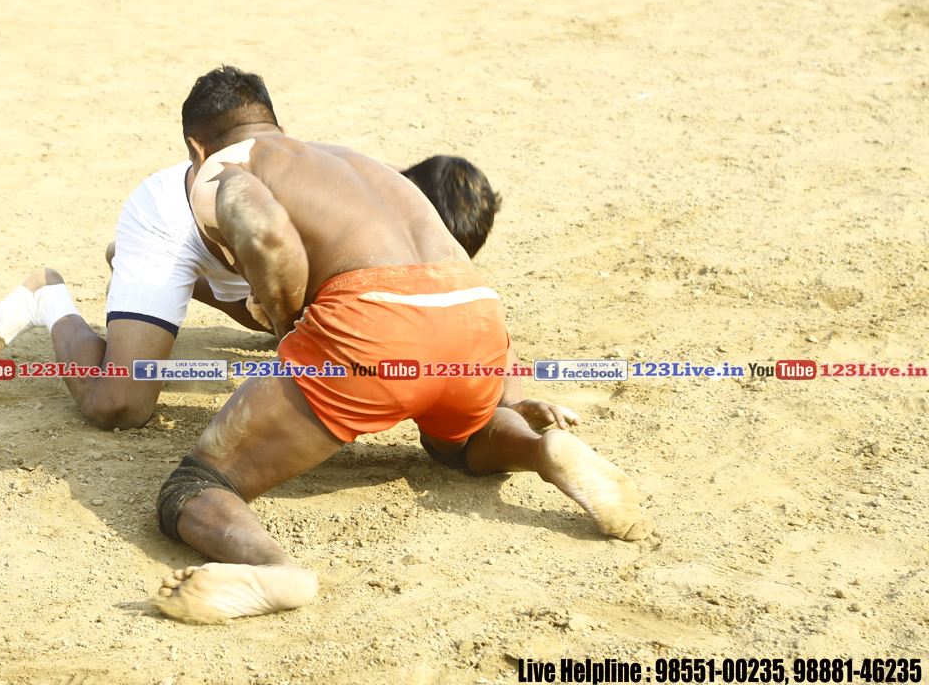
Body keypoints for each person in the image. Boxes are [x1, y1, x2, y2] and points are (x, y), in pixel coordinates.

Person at [149, 71, 654, 624]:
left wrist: (288, 322)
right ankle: (540, 450)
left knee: (197, 483)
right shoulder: (357, 163)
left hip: (372, 321)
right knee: (458, 446)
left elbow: (266, 233)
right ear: (278, 125)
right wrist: (508, 392)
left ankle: (276, 569)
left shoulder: (222, 167)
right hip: (475, 314)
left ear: (196, 146)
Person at [0, 66, 502, 431]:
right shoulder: (166, 204)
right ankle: (49, 296)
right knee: (118, 404)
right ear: (196, 152)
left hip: (258, 253)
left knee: (282, 321)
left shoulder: (344, 175)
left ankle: (160, 281)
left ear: (284, 134)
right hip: (175, 231)